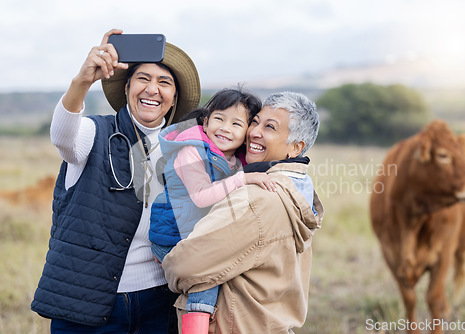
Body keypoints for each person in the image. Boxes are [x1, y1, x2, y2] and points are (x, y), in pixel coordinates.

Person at [31, 29, 201, 333]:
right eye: (143, 79)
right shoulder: (93, 133)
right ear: (126, 88)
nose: (152, 89)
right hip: (87, 304)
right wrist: (82, 80)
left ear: (174, 96)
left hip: (159, 302)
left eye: (164, 82)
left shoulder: (182, 149)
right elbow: (62, 135)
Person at [163, 91, 325, 333]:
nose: (254, 132)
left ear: (296, 147)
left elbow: (184, 265)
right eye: (255, 122)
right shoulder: (298, 189)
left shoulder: (256, 197)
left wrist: (168, 266)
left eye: (270, 127)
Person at [150, 87, 276, 333]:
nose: (226, 128)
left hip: (195, 235)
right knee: (206, 278)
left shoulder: (235, 160)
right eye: (219, 119)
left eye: (237, 124)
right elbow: (201, 197)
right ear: (206, 122)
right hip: (171, 236)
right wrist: (243, 179)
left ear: (247, 133)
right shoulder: (192, 151)